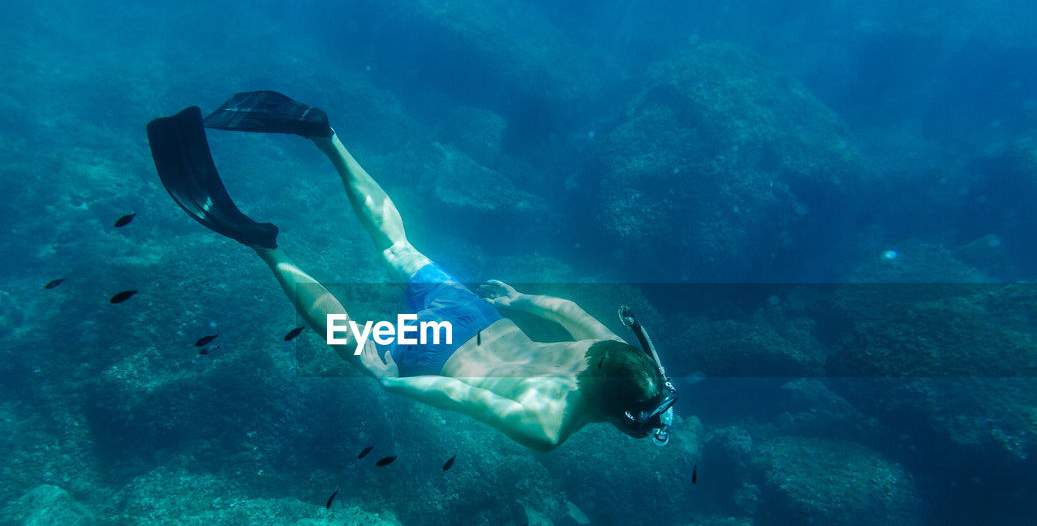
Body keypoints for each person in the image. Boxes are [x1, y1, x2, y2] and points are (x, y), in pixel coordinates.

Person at [146, 91, 677, 450]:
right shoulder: (550, 425)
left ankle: (325, 136)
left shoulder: (615, 349)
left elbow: (568, 309)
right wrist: (394, 384)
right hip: (434, 353)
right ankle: (267, 248)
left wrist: (515, 301)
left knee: (396, 244)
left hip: (479, 315)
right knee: (352, 339)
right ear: (618, 417)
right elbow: (461, 395)